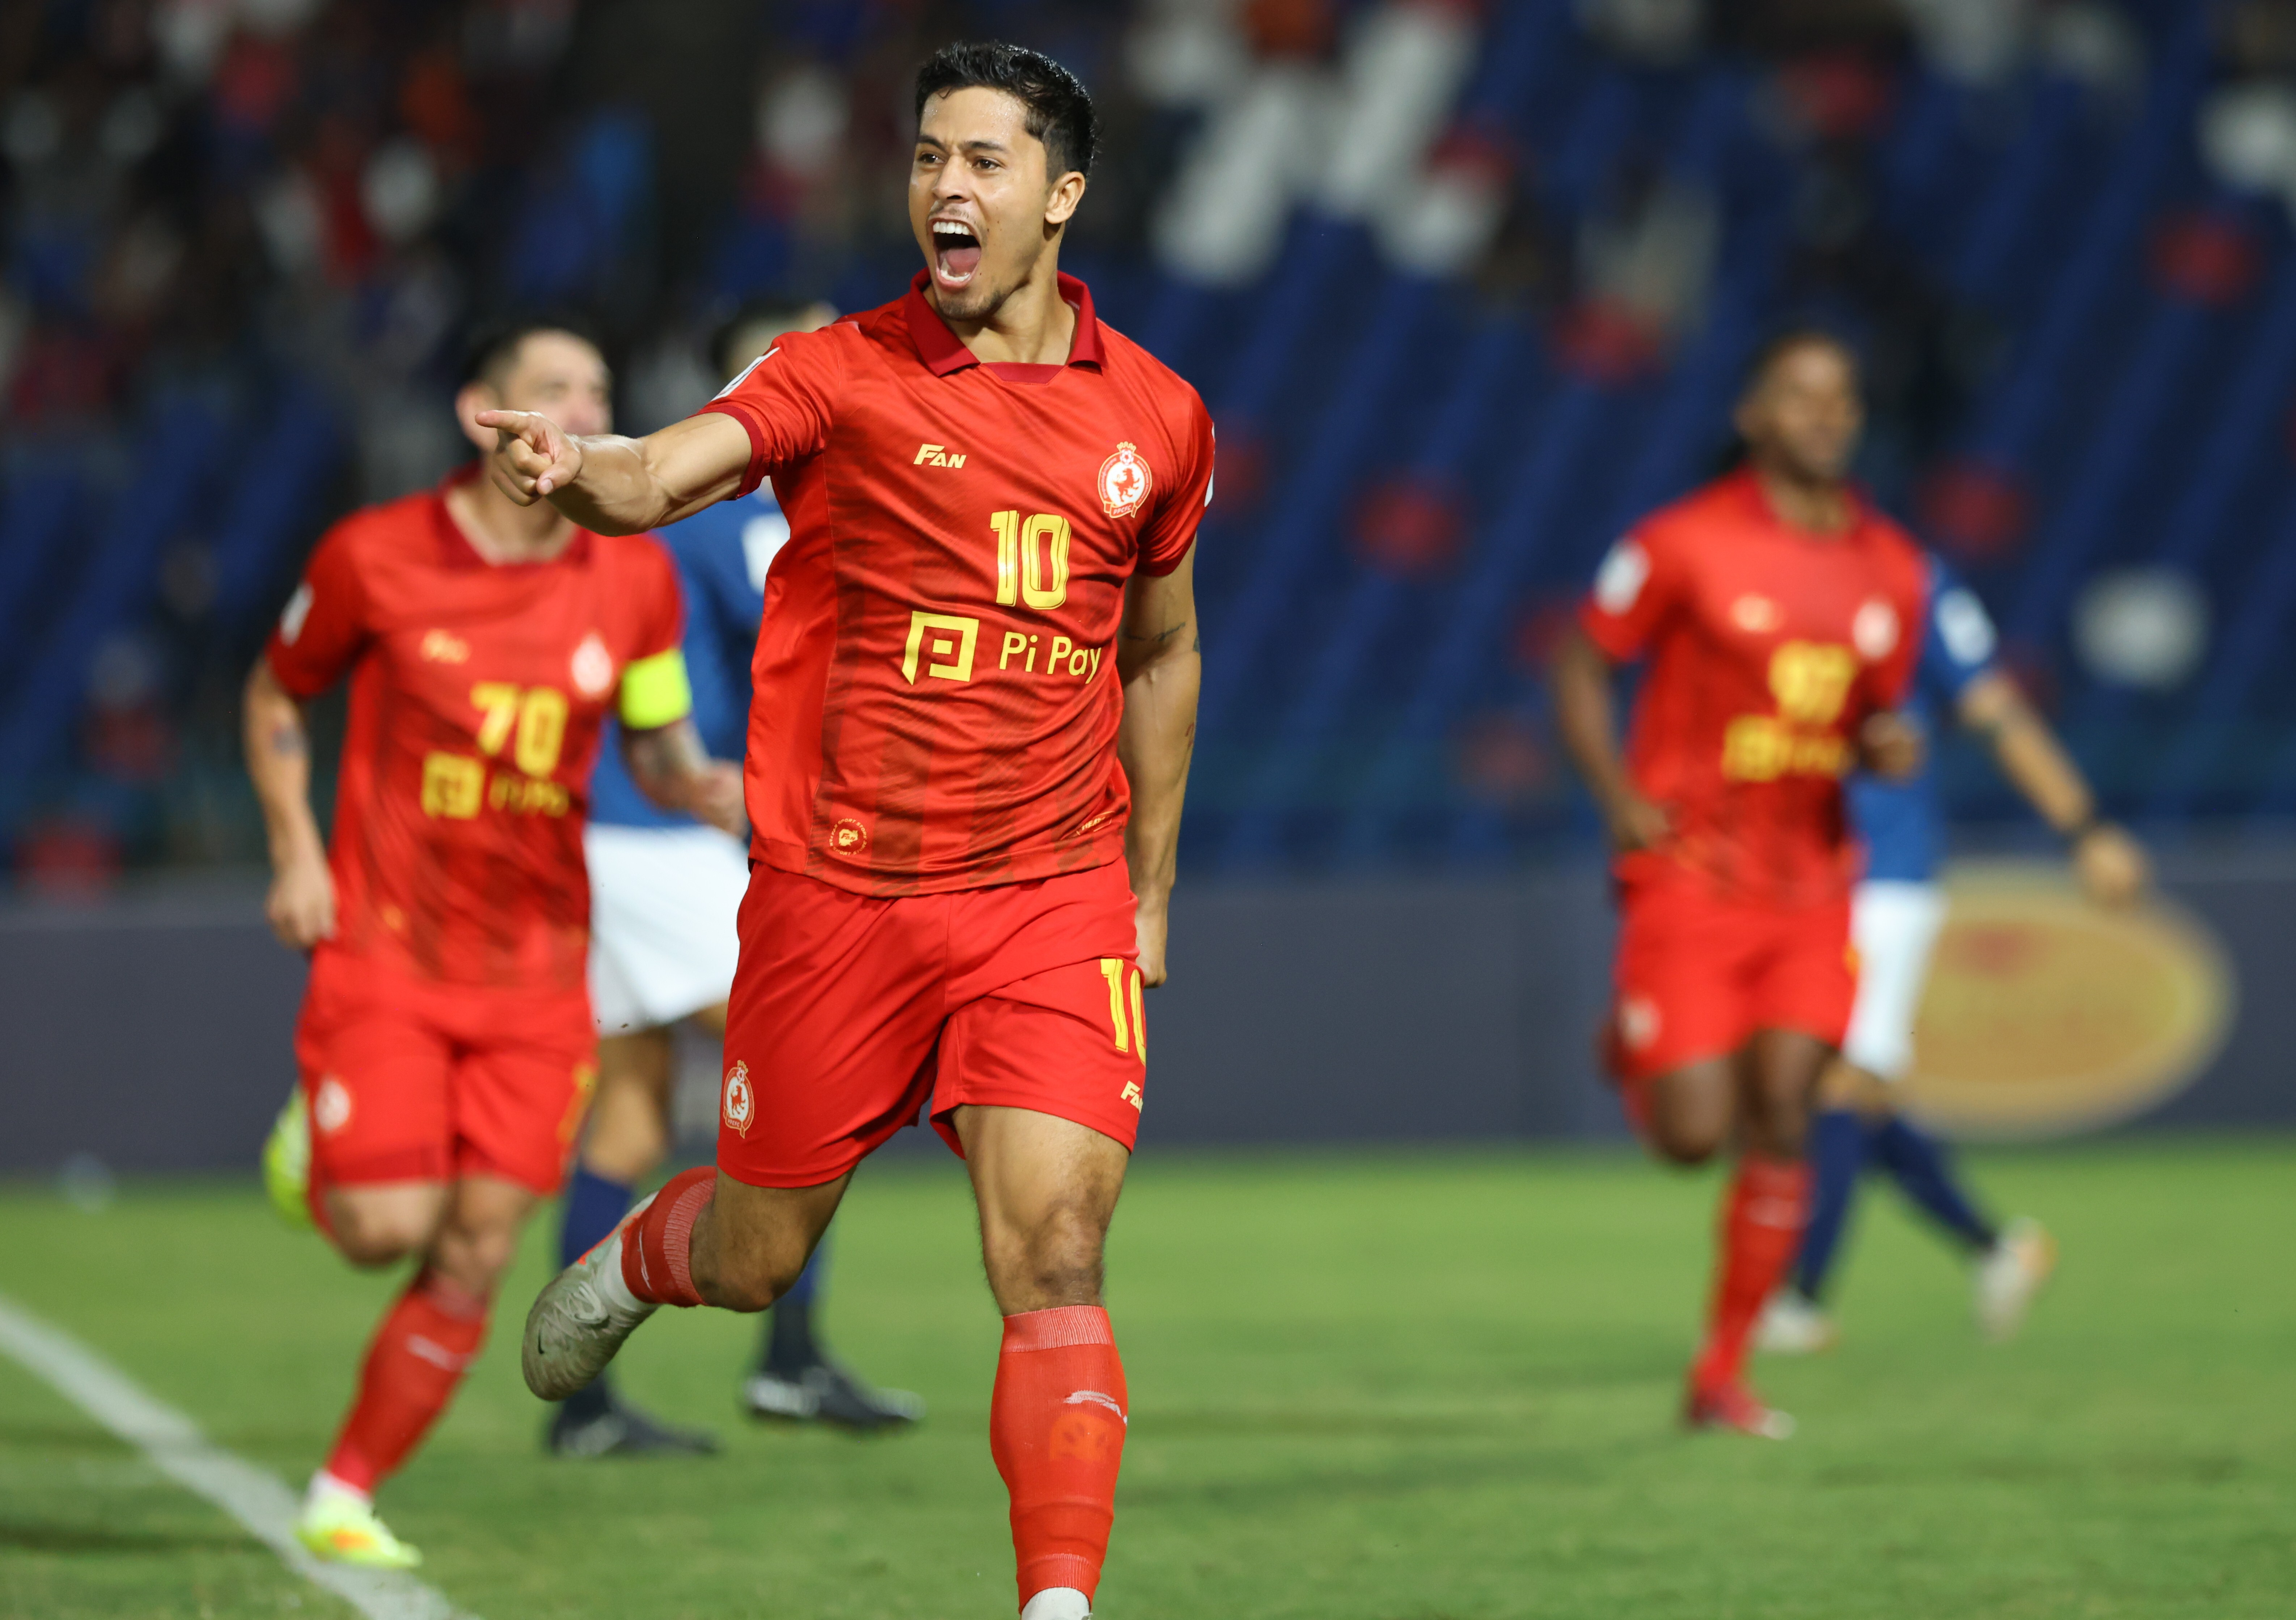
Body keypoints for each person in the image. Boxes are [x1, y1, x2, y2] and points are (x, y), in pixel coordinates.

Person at [494, 44, 1210, 1620]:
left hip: (1049, 894)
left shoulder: (1157, 417)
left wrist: (1147, 889)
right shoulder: (836, 371)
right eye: (927, 157)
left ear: (1060, 196)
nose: (945, 187)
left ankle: (1056, 1603)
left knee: (1055, 1248)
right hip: (840, 896)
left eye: (983, 161)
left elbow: (1161, 652)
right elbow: (656, 474)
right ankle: (642, 1257)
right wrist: (574, 472)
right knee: (756, 1256)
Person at [247, 318, 744, 1566]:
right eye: (552, 388)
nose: (579, 409)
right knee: (385, 1226)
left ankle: (345, 1489)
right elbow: (275, 693)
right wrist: (297, 850)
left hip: (537, 973)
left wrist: (706, 786)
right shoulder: (375, 556)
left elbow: (657, 744)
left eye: (597, 390)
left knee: (477, 1242)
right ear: (484, 413)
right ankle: (321, 1136)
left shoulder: (635, 579)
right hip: (389, 951)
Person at [550, 295, 922, 1458]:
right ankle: (790, 1358)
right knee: (823, 1063)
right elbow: (822, 640)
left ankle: (583, 1407)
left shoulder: (698, 502)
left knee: (629, 1110)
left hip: (620, 826)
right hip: (655, 836)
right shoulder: (749, 507)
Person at [1552, 328, 1928, 1440]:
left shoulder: (1890, 566)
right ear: (1754, 415)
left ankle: (1721, 1374)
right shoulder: (1682, 543)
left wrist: (1885, 746)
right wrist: (1617, 790)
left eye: (1841, 397)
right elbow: (1581, 660)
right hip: (1691, 873)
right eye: (1800, 395)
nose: (1825, 414)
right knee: (1689, 1135)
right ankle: (1635, 1044)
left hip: (1812, 885)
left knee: (1785, 1110)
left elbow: (1870, 714)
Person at [1756, 554, 2150, 1354]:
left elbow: (1994, 708)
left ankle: (1798, 1301)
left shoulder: (1903, 576)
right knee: (1852, 1093)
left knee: (1833, 1079)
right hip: (1781, 876)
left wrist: (2083, 828)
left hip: (1878, 876)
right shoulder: (1736, 571)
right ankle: (1997, 1249)